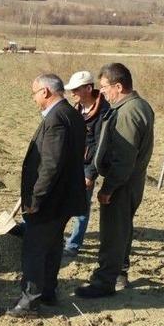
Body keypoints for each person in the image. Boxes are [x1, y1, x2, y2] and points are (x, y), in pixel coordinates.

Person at [7, 75, 87, 317]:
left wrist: (36, 198)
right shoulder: (72, 114)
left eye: (34, 93)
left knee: (34, 249)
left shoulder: (56, 119)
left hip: (51, 200)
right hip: (64, 198)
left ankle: (29, 303)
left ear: (45, 92)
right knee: (52, 247)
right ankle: (48, 292)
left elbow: (51, 165)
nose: (33, 98)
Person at [76, 63, 155, 298]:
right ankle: (119, 273)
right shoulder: (140, 105)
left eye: (104, 87)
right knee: (122, 230)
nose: (102, 92)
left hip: (122, 184)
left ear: (118, 86)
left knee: (112, 233)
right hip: (132, 181)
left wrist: (108, 188)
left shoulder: (128, 113)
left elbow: (123, 158)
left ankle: (104, 282)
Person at [62, 71, 110, 258]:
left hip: (86, 166)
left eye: (76, 89)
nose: (72, 93)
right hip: (71, 164)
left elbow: (100, 147)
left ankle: (73, 244)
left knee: (81, 207)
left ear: (88, 88)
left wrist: (90, 174)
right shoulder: (77, 109)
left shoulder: (103, 113)